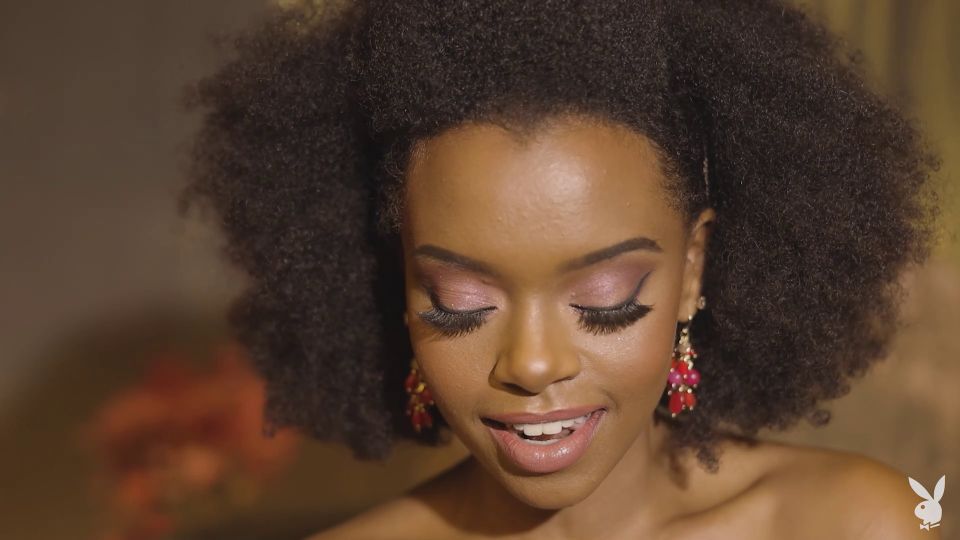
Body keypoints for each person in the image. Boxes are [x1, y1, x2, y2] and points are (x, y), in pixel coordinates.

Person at [181, 0, 942, 537]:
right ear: (400, 291)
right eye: (458, 301)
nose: (532, 363)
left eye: (604, 298)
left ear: (692, 270)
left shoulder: (856, 523)